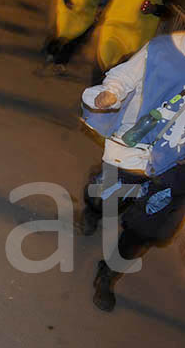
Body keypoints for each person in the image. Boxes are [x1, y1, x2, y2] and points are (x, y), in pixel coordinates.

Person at [79, 32, 185, 311]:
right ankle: (94, 208)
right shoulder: (165, 49)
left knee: (148, 225)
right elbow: (126, 76)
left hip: (177, 168)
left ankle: (109, 273)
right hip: (137, 149)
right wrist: (111, 92)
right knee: (107, 196)